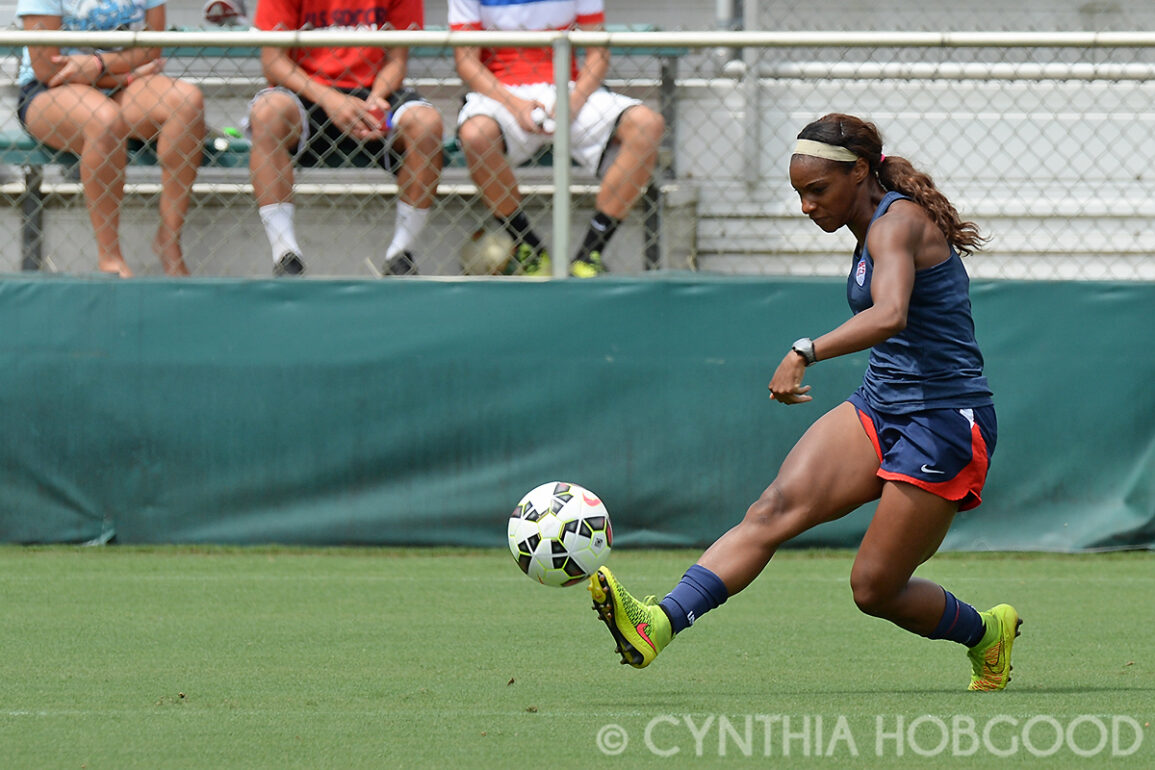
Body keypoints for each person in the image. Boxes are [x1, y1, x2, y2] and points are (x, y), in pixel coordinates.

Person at [589, 113, 1021, 691]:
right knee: (771, 511)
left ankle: (987, 634)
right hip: (879, 404)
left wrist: (805, 350)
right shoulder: (869, 226)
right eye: (799, 193)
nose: (806, 206)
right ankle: (658, 623)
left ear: (861, 173)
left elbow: (889, 314)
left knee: (874, 588)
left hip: (943, 421)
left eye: (816, 190)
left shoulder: (898, 223)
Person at [448, 0, 665, 277]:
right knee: (475, 135)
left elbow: (597, 53)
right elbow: (466, 62)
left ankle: (590, 254)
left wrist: (572, 102)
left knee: (647, 125)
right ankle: (529, 247)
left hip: (569, 89)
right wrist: (516, 105)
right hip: (501, 95)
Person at [248, 0, 443, 277]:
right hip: (307, 91)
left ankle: (401, 254)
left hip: (373, 91)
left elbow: (396, 59)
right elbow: (273, 62)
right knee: (267, 112)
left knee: (427, 123)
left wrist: (375, 99)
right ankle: (285, 256)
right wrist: (330, 99)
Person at [16, 0, 206, 277]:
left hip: (115, 78)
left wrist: (99, 64)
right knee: (104, 120)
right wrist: (125, 77)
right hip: (49, 90)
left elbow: (151, 48)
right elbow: (47, 69)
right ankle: (111, 257)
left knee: (188, 103)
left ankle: (169, 240)